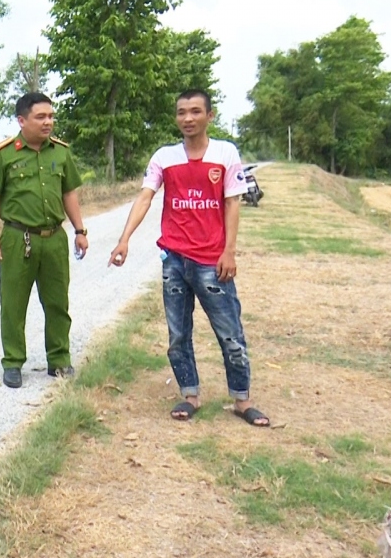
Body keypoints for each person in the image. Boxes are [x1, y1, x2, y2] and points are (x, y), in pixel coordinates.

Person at [108, 89, 270, 427]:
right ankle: (190, 394)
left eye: (196, 111)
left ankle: (242, 400)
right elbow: (145, 197)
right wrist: (124, 240)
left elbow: (232, 203)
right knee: (178, 334)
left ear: (210, 116)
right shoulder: (164, 157)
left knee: (230, 333)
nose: (188, 118)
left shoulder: (225, 153)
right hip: (174, 260)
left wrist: (229, 251)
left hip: (212, 261)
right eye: (182, 112)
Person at [0, 92, 88, 389]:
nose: (48, 122)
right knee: (13, 304)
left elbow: (69, 193)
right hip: (17, 238)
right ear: (22, 120)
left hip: (54, 238)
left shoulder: (61, 153)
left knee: (57, 302)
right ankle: (13, 363)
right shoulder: (3, 154)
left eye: (51, 116)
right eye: (40, 117)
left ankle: (59, 359)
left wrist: (80, 230)